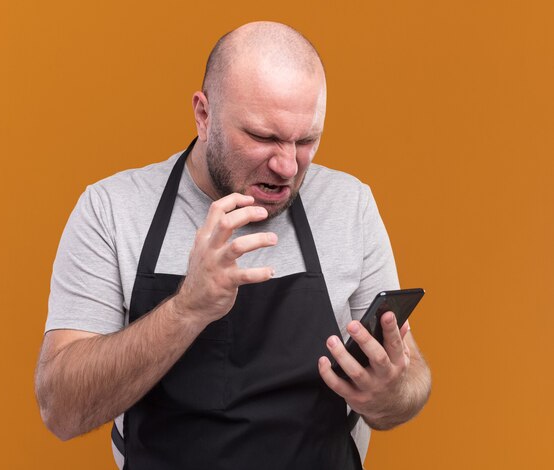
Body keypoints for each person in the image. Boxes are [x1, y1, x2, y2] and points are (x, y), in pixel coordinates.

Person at [35, 21, 431, 470]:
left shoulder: (349, 204)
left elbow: (409, 381)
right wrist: (188, 308)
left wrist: (389, 394)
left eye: (306, 141)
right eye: (263, 137)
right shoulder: (112, 209)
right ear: (203, 115)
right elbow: (61, 410)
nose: (286, 165)